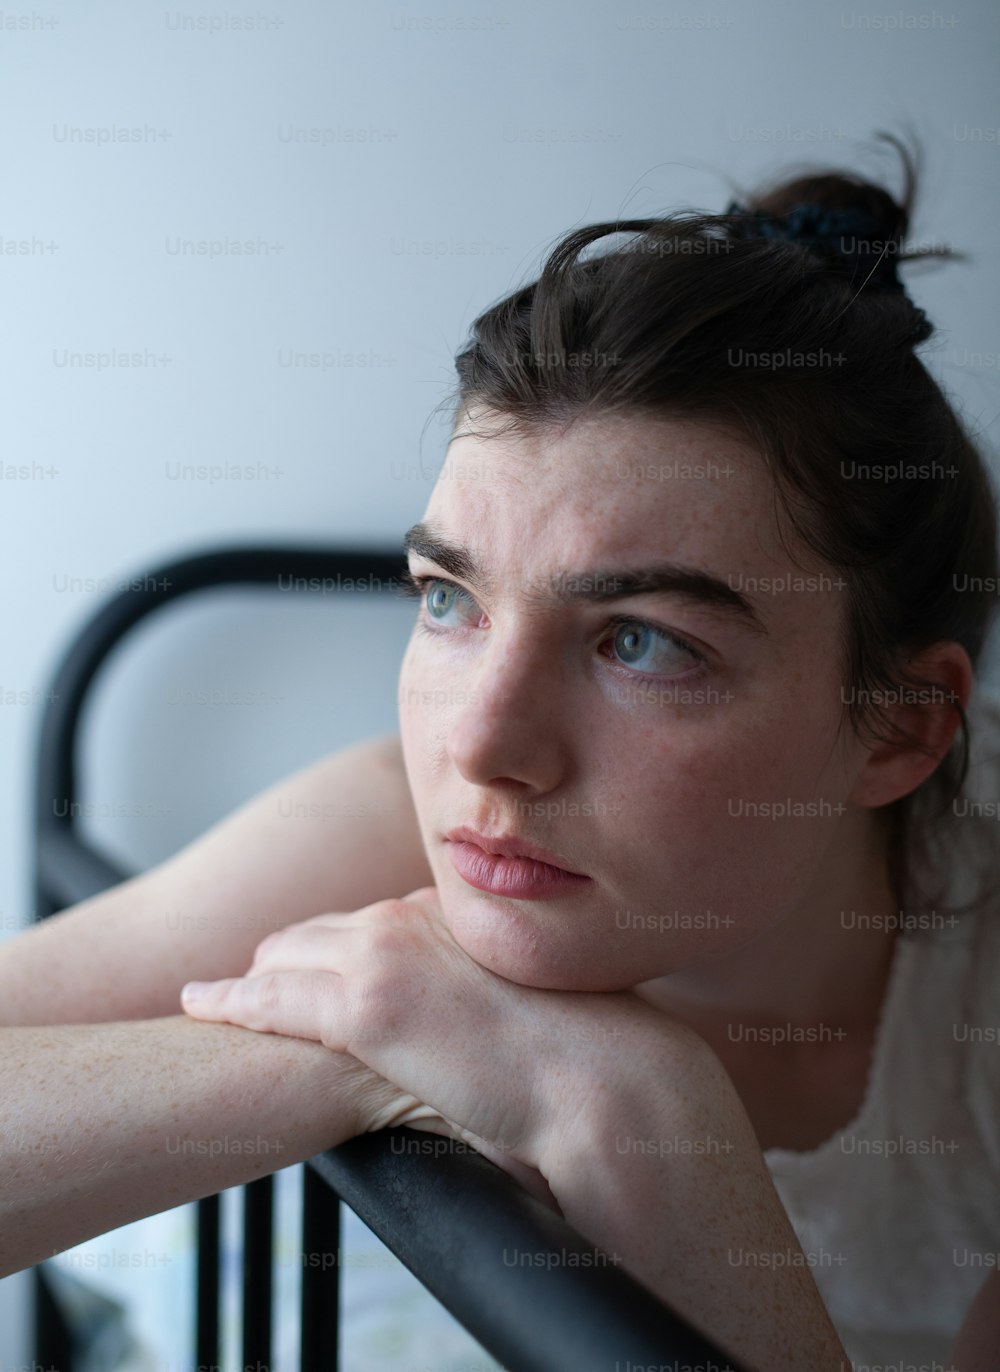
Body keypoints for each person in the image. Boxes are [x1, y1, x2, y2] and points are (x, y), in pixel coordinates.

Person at [3, 132, 998, 1370]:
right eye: (447, 600)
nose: (479, 745)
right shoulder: (398, 828)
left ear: (900, 729)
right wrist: (332, 1071)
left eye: (641, 643)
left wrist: (626, 1112)